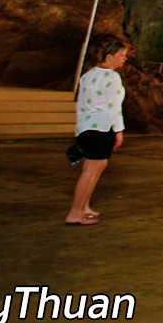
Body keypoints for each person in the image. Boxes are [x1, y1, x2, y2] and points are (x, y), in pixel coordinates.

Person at [65, 41, 130, 225]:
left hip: (86, 127)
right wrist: (119, 131)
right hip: (102, 127)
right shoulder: (112, 78)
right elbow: (113, 106)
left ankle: (84, 206)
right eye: (122, 55)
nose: (125, 59)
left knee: (91, 169)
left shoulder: (88, 75)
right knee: (91, 172)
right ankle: (75, 212)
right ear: (109, 57)